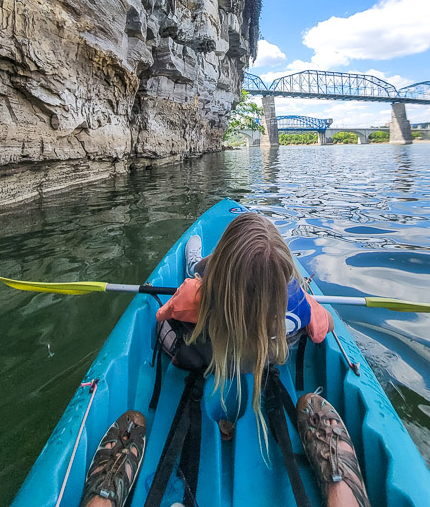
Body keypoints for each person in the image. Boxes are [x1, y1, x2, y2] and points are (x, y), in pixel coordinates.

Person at [156, 211, 370, 507]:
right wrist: (307, 303)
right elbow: (324, 330)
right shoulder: (298, 306)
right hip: (267, 356)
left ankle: (196, 265)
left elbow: (162, 316)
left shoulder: (198, 296)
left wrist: (190, 293)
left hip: (209, 356)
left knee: (173, 320)